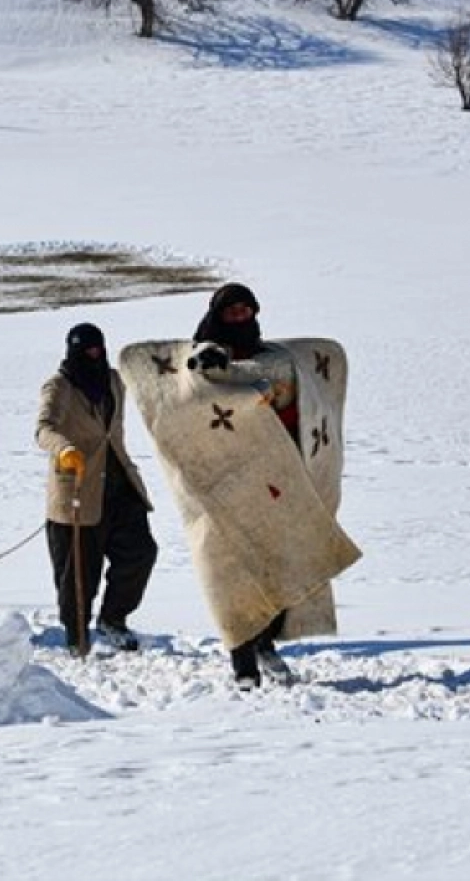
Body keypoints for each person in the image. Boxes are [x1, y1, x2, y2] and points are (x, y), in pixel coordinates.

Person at [192, 282, 297, 689]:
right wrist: (213, 365)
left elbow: (289, 396)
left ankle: (267, 643)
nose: (240, 318)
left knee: (274, 567)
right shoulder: (199, 356)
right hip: (223, 480)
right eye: (231, 311)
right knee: (232, 573)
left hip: (272, 478)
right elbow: (189, 394)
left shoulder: (271, 357)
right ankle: (244, 663)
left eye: (245, 311)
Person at [35, 322, 158, 656]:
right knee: (78, 573)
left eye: (97, 348)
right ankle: (77, 637)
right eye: (85, 349)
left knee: (141, 553)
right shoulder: (59, 386)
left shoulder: (114, 380)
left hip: (120, 484)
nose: (93, 354)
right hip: (77, 487)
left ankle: (112, 619)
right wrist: (63, 448)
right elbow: (43, 428)